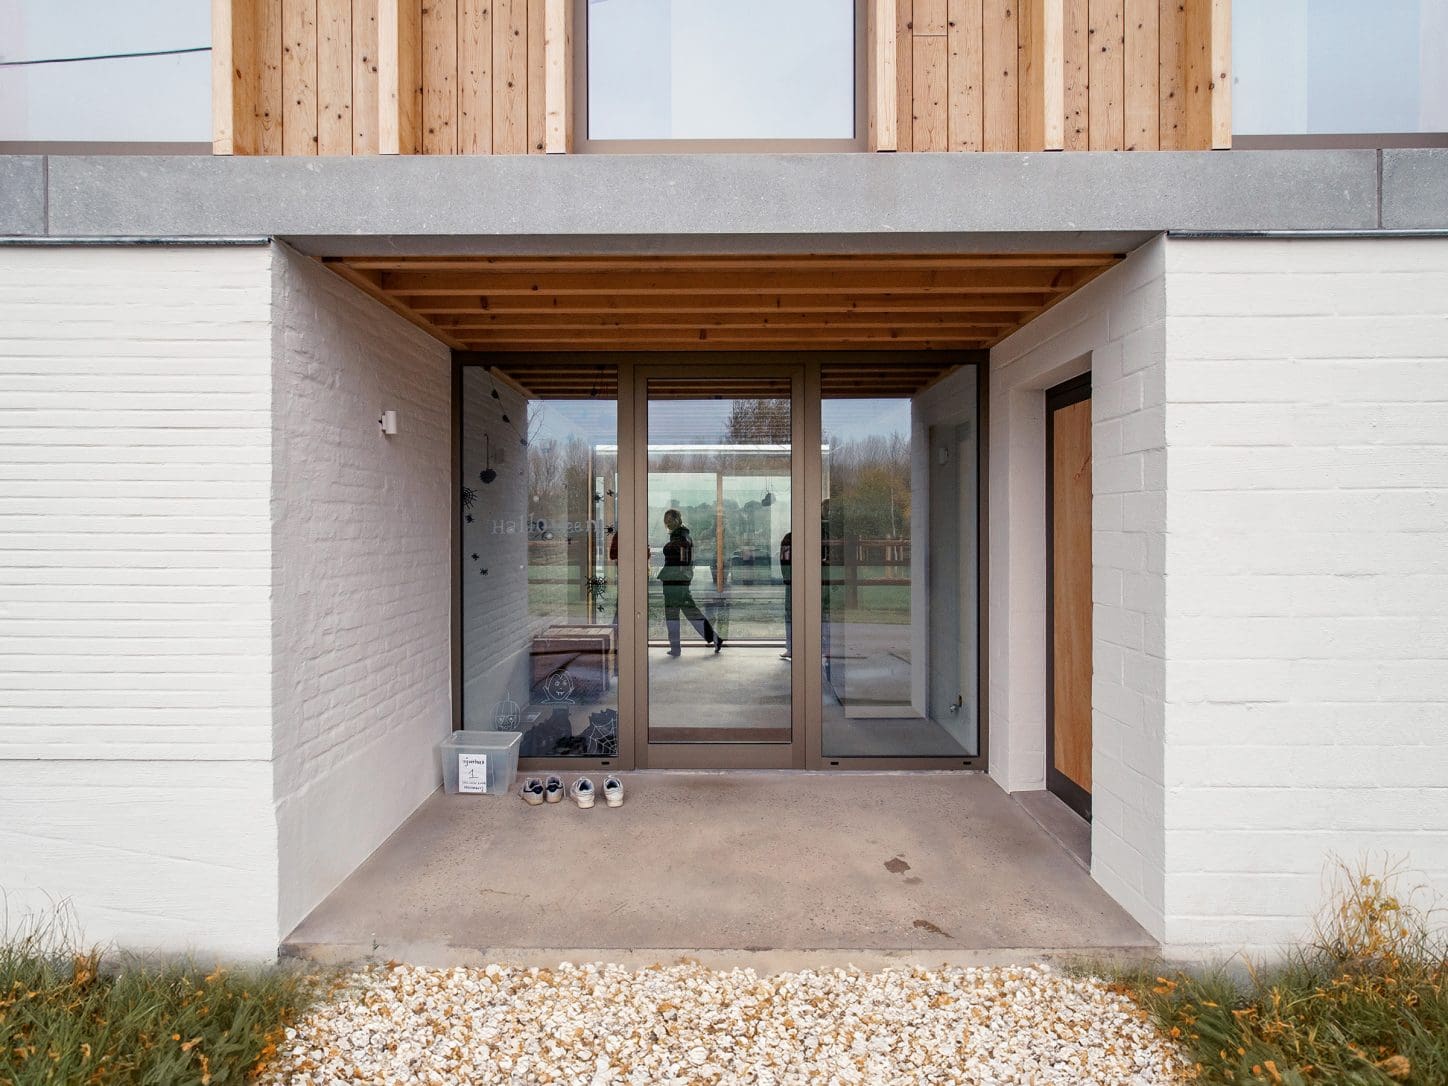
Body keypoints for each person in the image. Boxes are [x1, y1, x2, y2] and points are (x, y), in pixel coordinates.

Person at [659, 509, 722, 656]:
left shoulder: (681, 538)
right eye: (665, 519)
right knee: (688, 613)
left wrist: (680, 577)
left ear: (677, 520)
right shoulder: (681, 536)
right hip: (676, 581)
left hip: (676, 582)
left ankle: (677, 647)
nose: (667, 522)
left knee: (675, 614)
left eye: (670, 519)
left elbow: (683, 561)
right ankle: (713, 639)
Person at [779, 530, 793, 660]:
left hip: (791, 582)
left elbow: (783, 561)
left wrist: (787, 579)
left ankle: (791, 647)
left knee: (790, 615)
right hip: (792, 582)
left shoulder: (788, 538)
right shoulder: (788, 539)